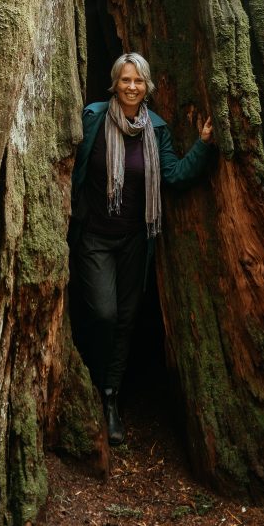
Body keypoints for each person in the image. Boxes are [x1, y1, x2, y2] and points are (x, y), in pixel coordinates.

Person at [69, 52, 214, 445]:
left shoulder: (157, 129)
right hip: (94, 238)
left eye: (138, 81)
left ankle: (111, 397)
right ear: (114, 83)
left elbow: (173, 175)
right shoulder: (93, 118)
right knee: (103, 312)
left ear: (147, 86)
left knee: (126, 319)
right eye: (125, 80)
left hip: (135, 240)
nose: (132, 87)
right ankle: (93, 379)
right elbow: (73, 168)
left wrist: (202, 145)